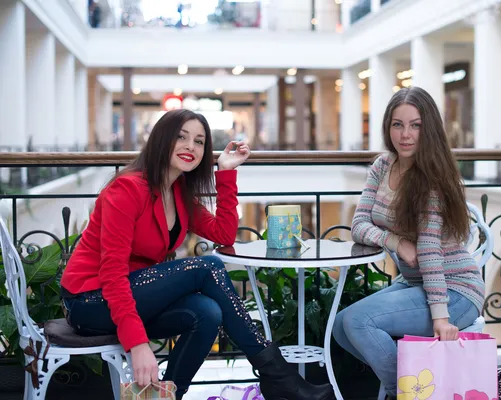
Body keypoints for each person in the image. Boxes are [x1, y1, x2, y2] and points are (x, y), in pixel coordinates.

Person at [60, 109, 334, 400]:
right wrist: (137, 344)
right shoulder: (126, 190)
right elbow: (113, 272)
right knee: (208, 266)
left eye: (200, 141)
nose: (191, 146)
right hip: (90, 300)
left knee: (207, 313)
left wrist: (226, 171)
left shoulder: (178, 194)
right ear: (161, 140)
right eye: (181, 137)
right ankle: (280, 377)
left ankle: (166, 395)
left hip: (129, 294)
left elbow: (224, 234)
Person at [332, 87, 485, 399]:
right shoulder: (382, 166)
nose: (405, 135)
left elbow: (429, 252)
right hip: (413, 283)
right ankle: (416, 384)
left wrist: (441, 318)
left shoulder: (433, 180)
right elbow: (359, 225)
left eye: (415, 125)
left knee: (359, 321)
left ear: (428, 128)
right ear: (387, 127)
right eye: (397, 124)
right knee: (339, 326)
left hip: (455, 290)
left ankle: (400, 392)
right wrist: (397, 242)